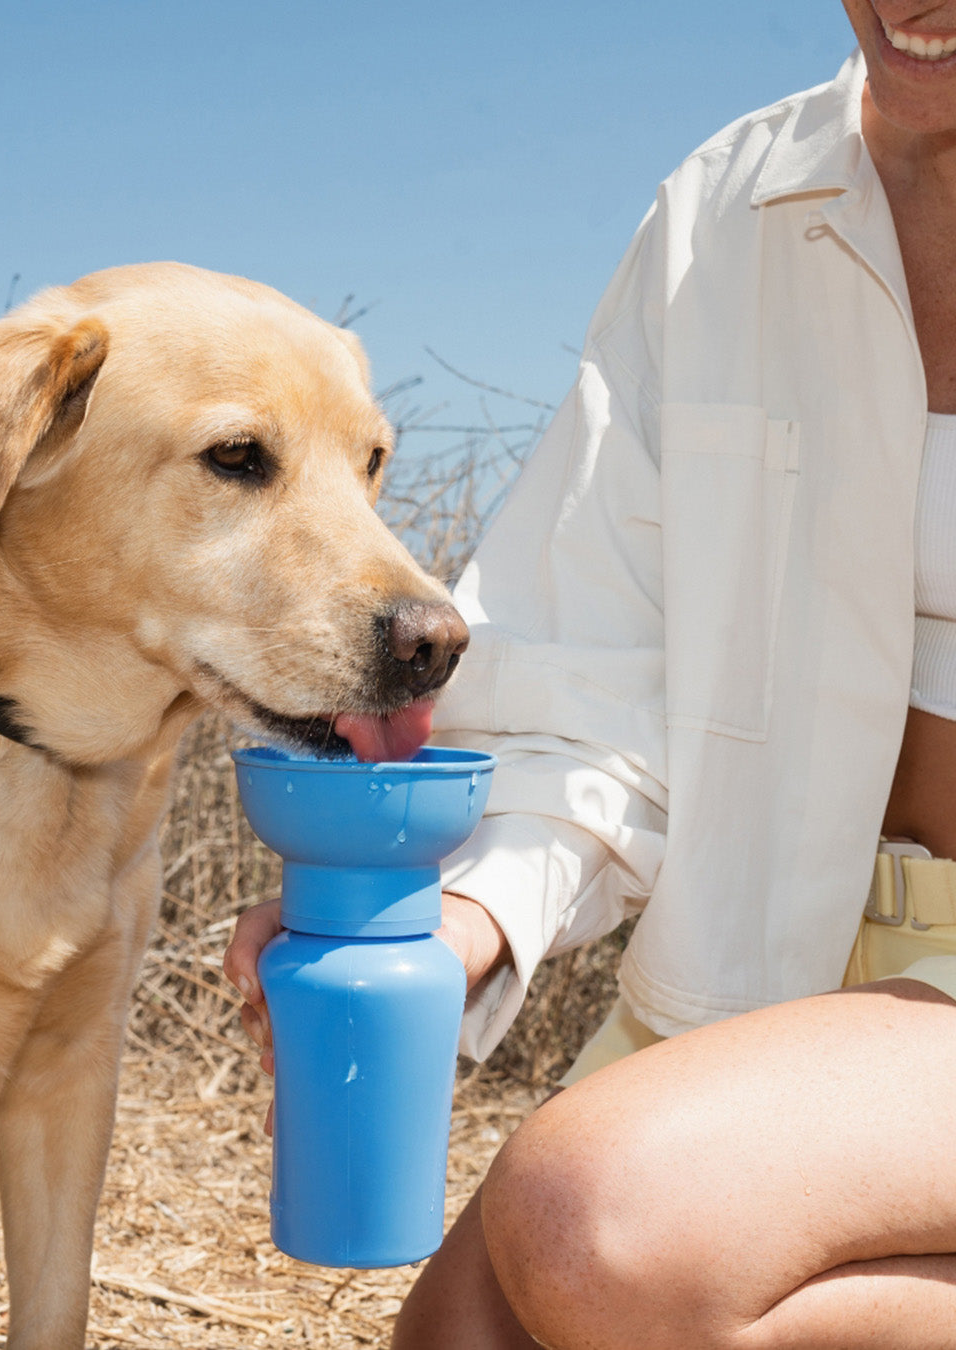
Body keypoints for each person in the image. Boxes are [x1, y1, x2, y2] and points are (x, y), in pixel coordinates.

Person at [226, 3, 956, 1344]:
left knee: (597, 1219)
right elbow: (590, 678)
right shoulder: (721, 213)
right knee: (461, 1328)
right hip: (768, 946)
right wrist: (449, 930)